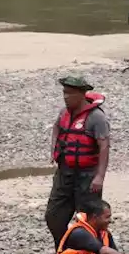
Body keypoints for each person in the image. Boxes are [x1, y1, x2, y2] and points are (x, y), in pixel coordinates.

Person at [46, 75, 110, 243]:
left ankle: (94, 252)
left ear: (82, 94)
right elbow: (56, 127)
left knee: (88, 219)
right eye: (64, 92)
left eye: (71, 93)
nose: (66, 97)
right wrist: (53, 148)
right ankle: (63, 248)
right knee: (53, 216)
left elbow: (104, 146)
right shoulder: (64, 113)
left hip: (87, 175)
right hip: (64, 172)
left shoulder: (96, 117)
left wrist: (100, 177)